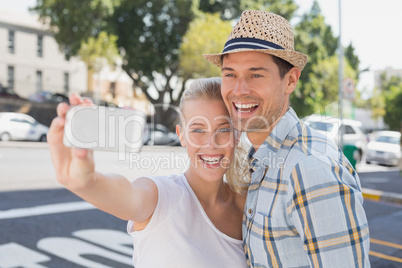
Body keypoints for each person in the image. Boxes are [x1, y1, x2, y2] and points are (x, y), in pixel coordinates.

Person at [204, 10, 370, 267]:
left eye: (255, 75)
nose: (239, 90)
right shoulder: (261, 158)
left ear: (290, 80)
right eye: (230, 74)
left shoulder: (310, 167)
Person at [47, 77, 248, 267]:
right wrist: (87, 181)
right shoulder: (161, 195)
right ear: (182, 136)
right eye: (198, 130)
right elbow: (129, 195)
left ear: (237, 134)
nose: (211, 144)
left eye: (223, 129)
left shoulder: (248, 206)